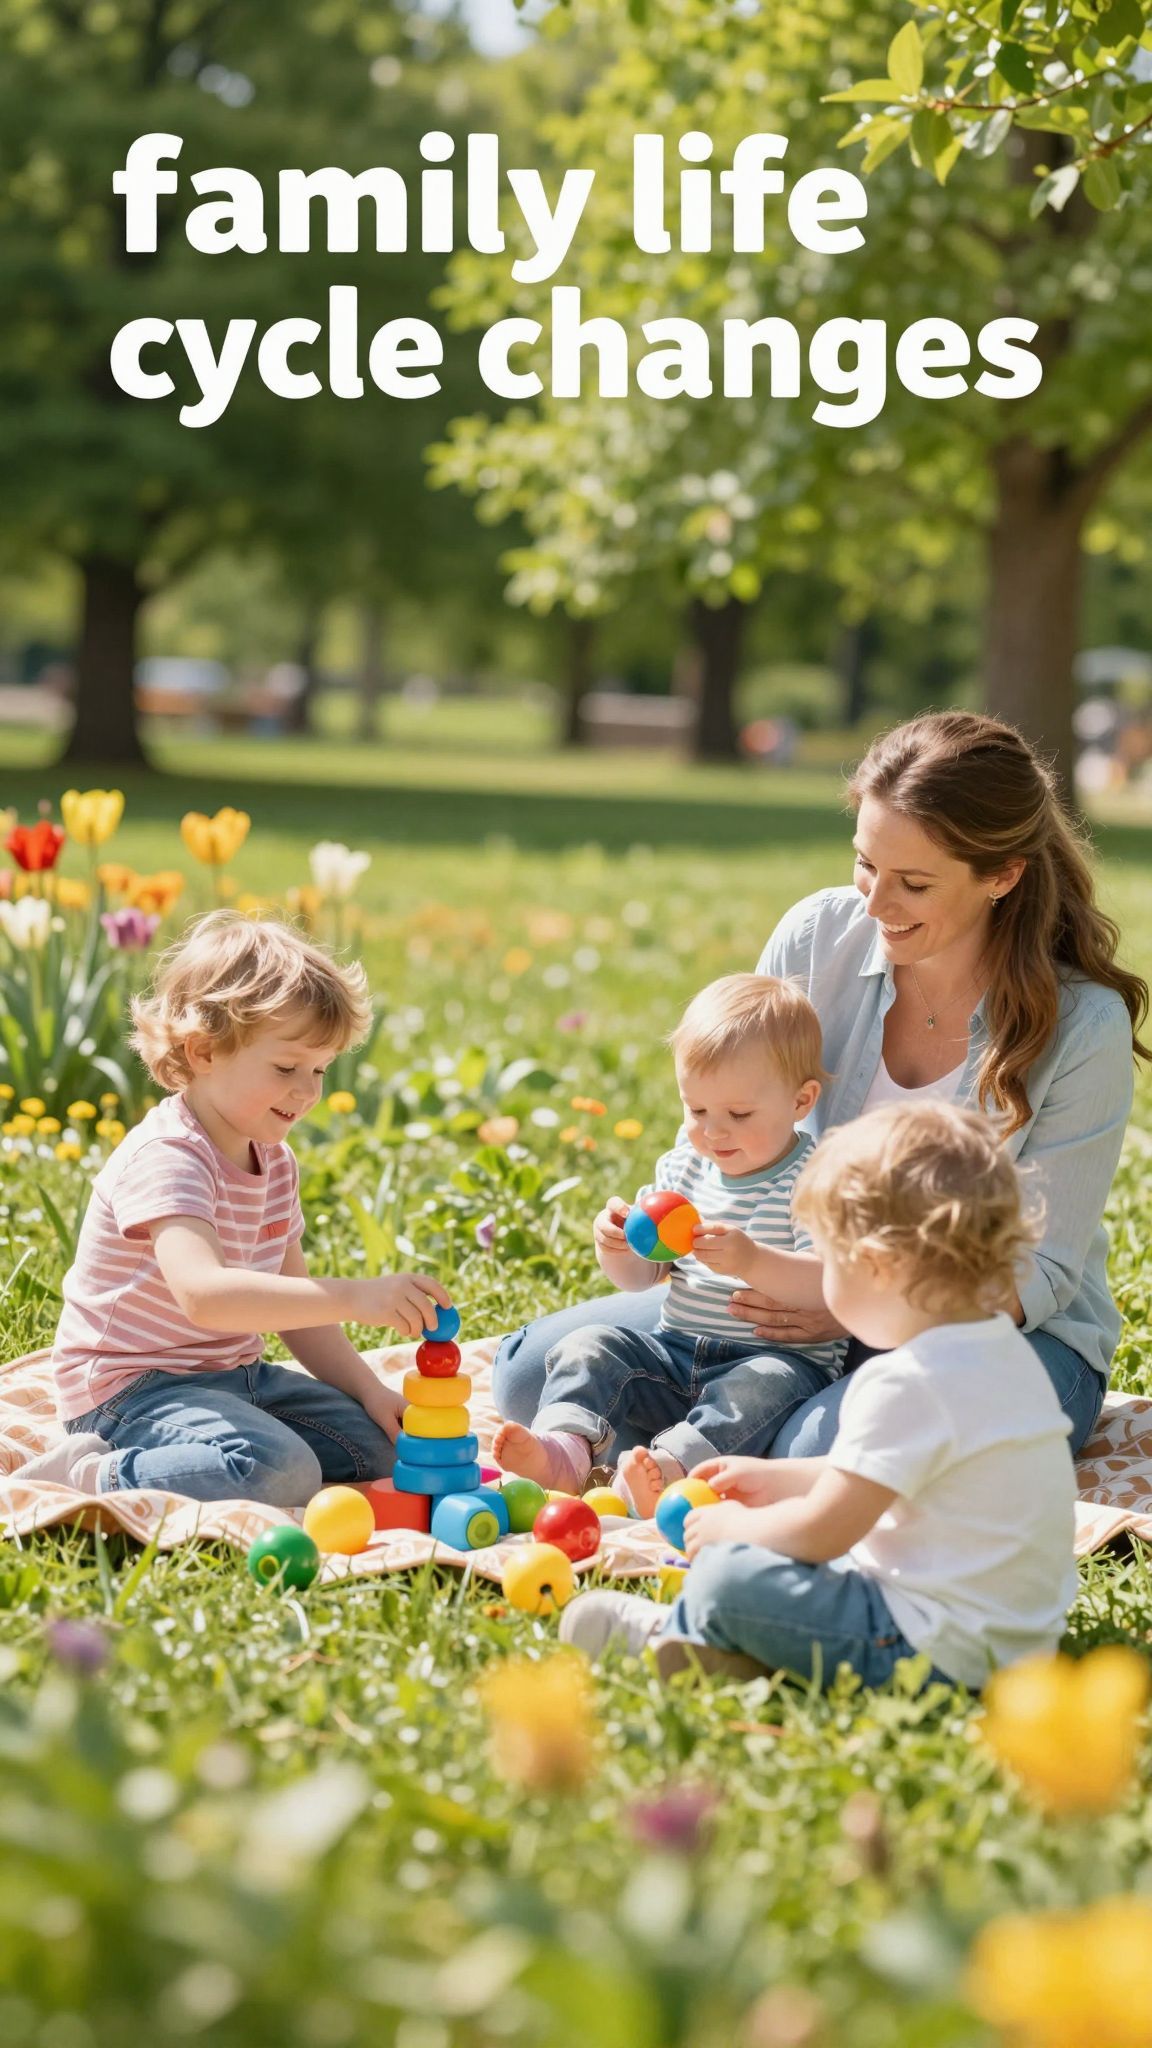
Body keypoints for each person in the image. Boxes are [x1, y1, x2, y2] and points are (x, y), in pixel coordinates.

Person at [494, 712, 1149, 1460]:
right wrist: (665, 1236)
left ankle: (738, 1434)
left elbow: (1038, 1277)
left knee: (813, 1450)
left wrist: (846, 1306)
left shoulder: (1080, 1026)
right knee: (526, 1380)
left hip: (994, 1336)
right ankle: (709, 1430)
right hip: (774, 1309)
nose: (874, 905)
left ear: (1002, 876)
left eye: (913, 883)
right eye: (865, 863)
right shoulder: (816, 938)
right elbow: (721, 1146)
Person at [560, 1102, 1079, 1692]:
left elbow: (823, 1533)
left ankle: (679, 1638)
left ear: (878, 1268)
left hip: (924, 1650)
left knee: (731, 1572)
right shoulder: (1005, 1354)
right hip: (1018, 1646)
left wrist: (734, 1526)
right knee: (785, 1550)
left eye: (828, 1261)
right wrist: (778, 1480)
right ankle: (730, 1654)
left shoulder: (905, 1382)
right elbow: (896, 1472)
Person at [20, 912, 452, 1506]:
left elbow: (296, 1309)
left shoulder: (273, 1161)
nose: (307, 1091)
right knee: (278, 1470)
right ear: (203, 1052)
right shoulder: (168, 1155)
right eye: (285, 1068)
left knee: (376, 1448)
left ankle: (207, 1455)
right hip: (130, 1392)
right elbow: (205, 1294)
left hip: (234, 1379)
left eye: (319, 1069)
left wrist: (370, 1391)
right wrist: (358, 1295)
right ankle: (90, 1475)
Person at [494, 975, 845, 1513]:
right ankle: (564, 1450)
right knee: (590, 1345)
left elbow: (829, 1284)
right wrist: (619, 1249)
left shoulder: (817, 1177)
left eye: (739, 1115)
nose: (713, 1132)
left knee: (757, 1388)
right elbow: (643, 1280)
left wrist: (752, 1260)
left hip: (776, 1358)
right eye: (696, 1110)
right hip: (676, 1350)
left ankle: (669, 1469)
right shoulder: (682, 1168)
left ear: (802, 1101)